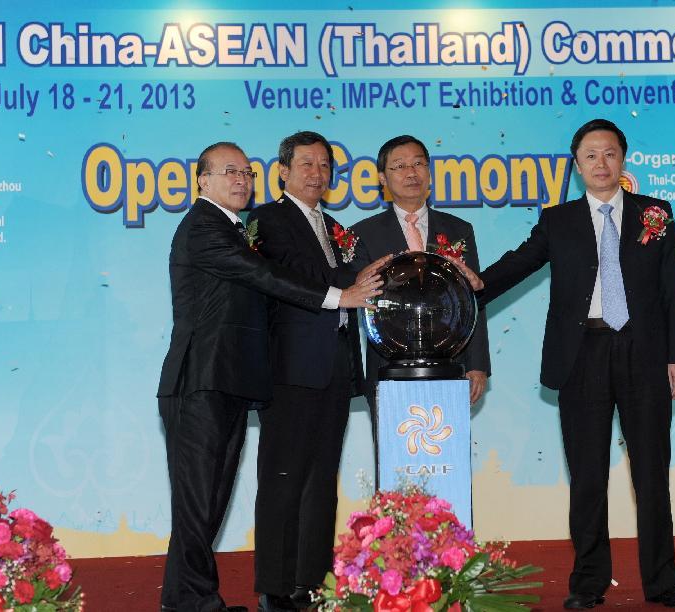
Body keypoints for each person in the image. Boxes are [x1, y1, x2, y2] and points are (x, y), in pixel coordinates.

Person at [452, 119, 675, 609]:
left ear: (623, 160)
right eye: (590, 155)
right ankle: (587, 583)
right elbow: (520, 262)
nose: (600, 163)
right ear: (577, 164)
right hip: (580, 355)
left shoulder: (657, 214)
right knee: (587, 475)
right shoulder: (558, 220)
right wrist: (475, 284)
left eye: (609, 153)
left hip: (644, 355)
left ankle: (663, 581)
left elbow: (672, 289)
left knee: (652, 473)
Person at [156, 141, 383, 612]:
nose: (240, 180)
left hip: (230, 379)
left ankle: (189, 599)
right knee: (199, 501)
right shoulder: (205, 227)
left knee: (209, 500)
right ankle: (194, 601)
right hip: (200, 379)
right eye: (229, 172)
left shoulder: (234, 227)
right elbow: (261, 273)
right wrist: (338, 297)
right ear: (203, 179)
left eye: (245, 172)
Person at [247, 131, 382, 612]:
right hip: (290, 369)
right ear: (282, 171)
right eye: (306, 164)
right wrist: (353, 281)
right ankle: (277, 587)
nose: (317, 174)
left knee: (322, 480)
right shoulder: (267, 220)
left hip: (337, 367)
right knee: (283, 480)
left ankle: (312, 581)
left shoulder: (336, 226)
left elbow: (359, 287)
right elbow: (295, 273)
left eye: (325, 166)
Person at [349, 134, 491, 467]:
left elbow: (473, 298)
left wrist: (477, 364)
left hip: (449, 366)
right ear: (383, 179)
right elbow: (355, 298)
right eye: (399, 166)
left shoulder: (458, 229)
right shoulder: (362, 233)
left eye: (418, 164)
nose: (411, 173)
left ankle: (446, 522)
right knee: (395, 463)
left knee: (446, 463)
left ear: (429, 172)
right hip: (387, 368)